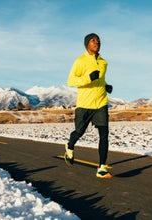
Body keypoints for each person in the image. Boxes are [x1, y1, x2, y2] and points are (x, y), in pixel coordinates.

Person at [64, 33, 113, 179]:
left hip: (101, 103)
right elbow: (71, 81)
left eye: (98, 41)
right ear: (87, 44)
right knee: (79, 132)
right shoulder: (80, 61)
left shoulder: (104, 62)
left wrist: (106, 85)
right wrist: (88, 78)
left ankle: (101, 168)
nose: (96, 42)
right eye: (93, 40)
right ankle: (70, 146)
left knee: (104, 134)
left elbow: (100, 79)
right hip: (85, 104)